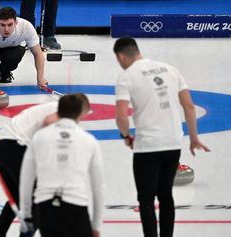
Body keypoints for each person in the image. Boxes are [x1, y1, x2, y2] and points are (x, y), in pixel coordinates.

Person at [113, 37, 210, 237]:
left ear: (121, 56)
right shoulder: (170, 70)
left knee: (146, 199)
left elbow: (121, 116)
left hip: (147, 146)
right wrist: (193, 138)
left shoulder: (126, 77)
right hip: (173, 143)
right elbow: (189, 106)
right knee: (166, 195)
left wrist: (126, 136)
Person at [20, 93, 105, 237]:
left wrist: (27, 214)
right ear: (82, 113)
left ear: (58, 110)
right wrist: (96, 226)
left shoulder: (39, 137)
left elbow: (26, 180)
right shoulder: (89, 140)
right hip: (75, 207)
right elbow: (99, 187)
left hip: (45, 209)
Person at [0, 101, 59, 237]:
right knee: (37, 198)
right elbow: (49, 123)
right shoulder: (63, 110)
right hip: (13, 146)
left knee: (18, 197)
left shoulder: (51, 107)